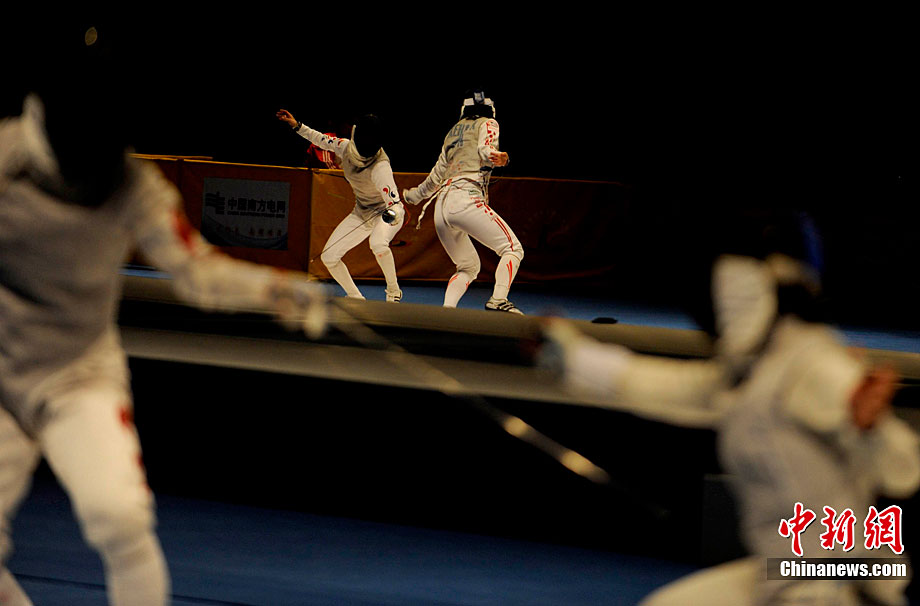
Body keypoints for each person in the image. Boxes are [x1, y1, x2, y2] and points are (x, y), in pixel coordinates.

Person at [0, 30, 326, 606]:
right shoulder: (6, 157)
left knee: (119, 519)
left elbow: (197, 270)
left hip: (76, 375)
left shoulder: (133, 184)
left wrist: (274, 288)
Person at [540, 208, 920, 605]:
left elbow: (906, 470)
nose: (729, 305)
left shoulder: (816, 367)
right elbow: (667, 386)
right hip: (786, 575)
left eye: (740, 288)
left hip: (847, 583)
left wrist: (871, 430)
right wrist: (573, 356)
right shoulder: (753, 375)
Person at [402, 89, 524, 314]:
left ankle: (447, 313)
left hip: (441, 208)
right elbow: (486, 149)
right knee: (513, 248)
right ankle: (498, 300)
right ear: (489, 109)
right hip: (465, 198)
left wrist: (413, 196)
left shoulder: (452, 132)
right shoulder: (489, 123)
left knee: (468, 267)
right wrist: (500, 158)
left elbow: (436, 176)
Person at [277, 109, 407, 302]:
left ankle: (394, 292)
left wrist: (392, 216)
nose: (367, 141)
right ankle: (355, 296)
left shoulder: (381, 167)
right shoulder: (344, 147)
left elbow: (395, 205)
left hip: (384, 214)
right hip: (361, 212)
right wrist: (297, 125)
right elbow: (319, 139)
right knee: (329, 257)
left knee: (378, 243)